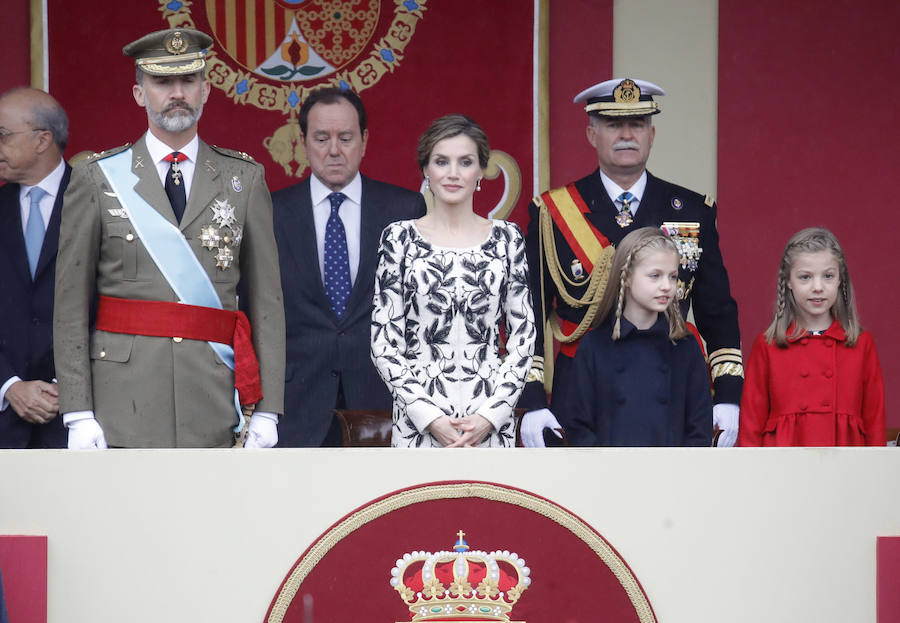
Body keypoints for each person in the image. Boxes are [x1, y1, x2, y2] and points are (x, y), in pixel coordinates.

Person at [53, 28, 285, 449]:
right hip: (121, 403)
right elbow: (70, 305)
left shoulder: (244, 179)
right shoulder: (97, 178)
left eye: (188, 80)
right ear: (139, 94)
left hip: (214, 400)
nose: (177, 93)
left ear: (206, 90)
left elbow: (266, 302)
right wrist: (77, 412)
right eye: (162, 82)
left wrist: (267, 410)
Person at [521, 77, 743, 447]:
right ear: (592, 134)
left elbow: (717, 310)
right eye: (613, 124)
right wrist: (532, 400)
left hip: (669, 384)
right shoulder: (553, 213)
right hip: (583, 391)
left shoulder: (690, 210)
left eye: (637, 124)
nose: (627, 135)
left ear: (652, 135)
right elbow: (529, 311)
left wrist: (728, 393)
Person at [272, 87, 425, 447]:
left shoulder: (405, 210)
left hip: (383, 403)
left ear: (364, 141)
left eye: (345, 138)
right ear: (303, 142)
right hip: (295, 405)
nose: (334, 150)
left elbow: (419, 312)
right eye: (321, 138)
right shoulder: (271, 211)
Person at [371, 114, 535, 447]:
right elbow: (384, 343)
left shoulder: (508, 238)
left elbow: (523, 339)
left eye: (466, 162)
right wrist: (429, 418)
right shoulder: (398, 239)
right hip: (418, 424)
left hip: (489, 421)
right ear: (425, 170)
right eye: (441, 161)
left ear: (481, 171)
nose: (453, 173)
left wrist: (491, 416)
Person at [553, 227, 712, 446]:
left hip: (672, 467)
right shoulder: (596, 346)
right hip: (607, 467)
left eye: (673, 276)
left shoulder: (684, 347)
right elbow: (578, 425)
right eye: (655, 276)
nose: (667, 286)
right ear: (626, 276)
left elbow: (700, 429)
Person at [737, 228, 885, 446]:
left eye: (828, 276)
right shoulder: (768, 345)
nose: (818, 287)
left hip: (846, 459)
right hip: (784, 459)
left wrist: (877, 466)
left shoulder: (861, 344)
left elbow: (875, 421)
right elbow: (751, 424)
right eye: (805, 277)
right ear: (788, 281)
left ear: (840, 280)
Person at [0, 87, 70, 448]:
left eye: (3, 134)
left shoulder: (101, 203)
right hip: (5, 418)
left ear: (42, 140)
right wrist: (9, 385)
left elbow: (116, 306)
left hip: (80, 419)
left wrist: (69, 385)